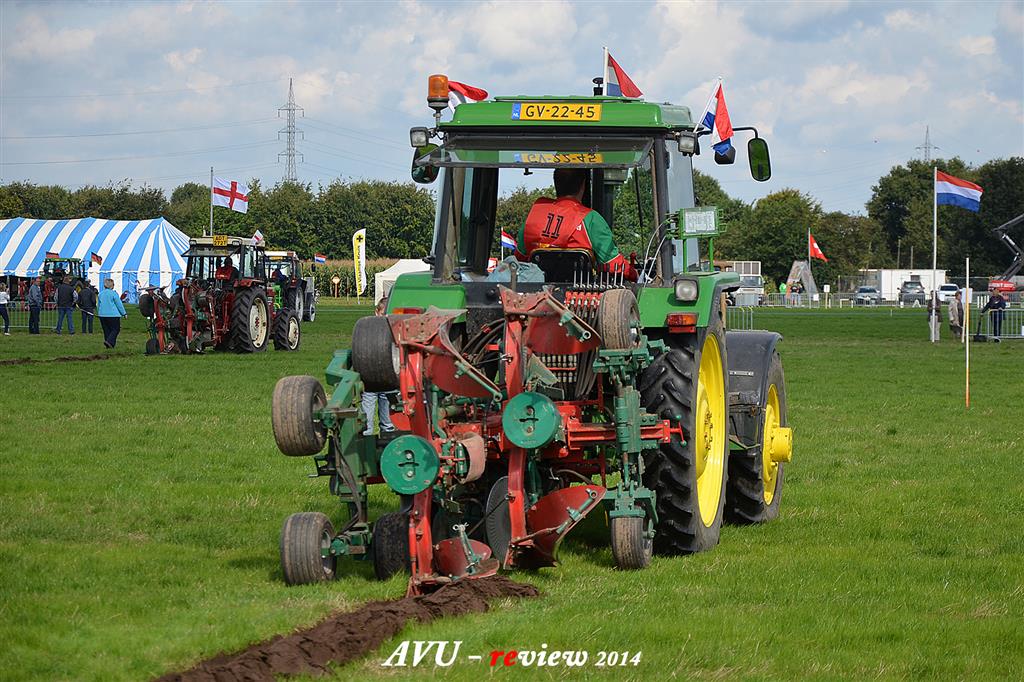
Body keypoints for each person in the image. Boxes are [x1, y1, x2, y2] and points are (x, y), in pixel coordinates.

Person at [515, 168, 637, 280]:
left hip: (538, 294)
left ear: (556, 184)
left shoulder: (534, 217)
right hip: (581, 296)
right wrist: (634, 274)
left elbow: (519, 259)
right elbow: (613, 265)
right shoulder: (591, 219)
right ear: (583, 185)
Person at [361, 299, 397, 437]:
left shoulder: (394, 333)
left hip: (389, 383)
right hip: (370, 383)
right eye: (383, 314)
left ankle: (387, 449)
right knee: (366, 424)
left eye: (388, 315)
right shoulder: (367, 330)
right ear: (377, 312)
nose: (385, 318)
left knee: (388, 423)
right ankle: (366, 451)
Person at [97, 278, 127, 348]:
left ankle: (109, 345)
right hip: (113, 315)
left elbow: (98, 305)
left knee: (106, 330)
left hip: (102, 315)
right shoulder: (114, 294)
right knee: (115, 329)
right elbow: (119, 304)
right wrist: (124, 313)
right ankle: (109, 341)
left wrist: (99, 313)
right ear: (112, 286)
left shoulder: (100, 294)